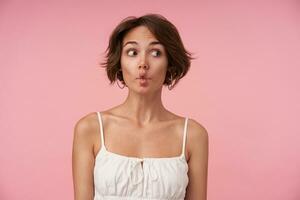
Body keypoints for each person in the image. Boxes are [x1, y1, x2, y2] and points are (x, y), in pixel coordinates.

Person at [72, 13, 209, 200]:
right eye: (132, 52)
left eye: (156, 53)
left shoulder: (193, 135)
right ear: (119, 62)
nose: (143, 64)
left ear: (170, 62)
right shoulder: (91, 129)